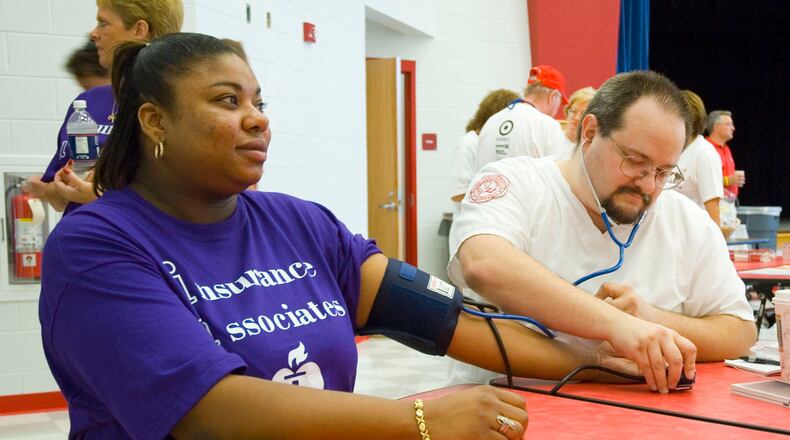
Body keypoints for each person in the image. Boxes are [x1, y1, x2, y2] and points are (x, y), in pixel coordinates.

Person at [39, 33, 636, 440]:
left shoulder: (299, 224)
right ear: (154, 120)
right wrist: (419, 421)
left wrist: (592, 357)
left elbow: (449, 322)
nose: (258, 118)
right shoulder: (97, 246)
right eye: (227, 101)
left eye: (259, 101)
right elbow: (208, 411)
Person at [449, 71, 756, 393]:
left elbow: (739, 332)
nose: (649, 185)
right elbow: (484, 263)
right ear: (591, 131)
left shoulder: (686, 221)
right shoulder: (514, 183)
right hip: (503, 410)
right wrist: (618, 326)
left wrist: (653, 317)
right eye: (635, 161)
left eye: (664, 172)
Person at [38, 0, 183, 215]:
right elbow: (58, 199)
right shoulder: (87, 104)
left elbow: (188, 201)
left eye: (103, 24)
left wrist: (102, 196)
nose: (93, 34)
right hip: (79, 240)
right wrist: (68, 183)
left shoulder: (177, 106)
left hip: (132, 243)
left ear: (139, 30)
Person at [472, 65, 568, 173]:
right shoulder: (548, 126)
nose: (556, 110)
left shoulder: (491, 121)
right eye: (560, 101)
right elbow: (559, 175)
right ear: (552, 96)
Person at [450, 89, 520, 203]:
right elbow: (458, 193)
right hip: (474, 218)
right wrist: (495, 199)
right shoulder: (469, 143)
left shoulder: (499, 141)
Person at [674, 90, 724, 226]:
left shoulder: (705, 153)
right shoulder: (675, 150)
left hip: (693, 235)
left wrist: (715, 246)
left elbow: (713, 208)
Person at [705, 110, 745, 198]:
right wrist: (727, 180)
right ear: (716, 127)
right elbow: (704, 180)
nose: (733, 128)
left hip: (729, 202)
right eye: (728, 124)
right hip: (714, 202)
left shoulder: (727, 149)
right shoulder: (706, 148)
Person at [560, 86, 596, 153]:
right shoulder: (553, 139)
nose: (576, 118)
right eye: (573, 111)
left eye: (583, 114)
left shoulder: (594, 148)